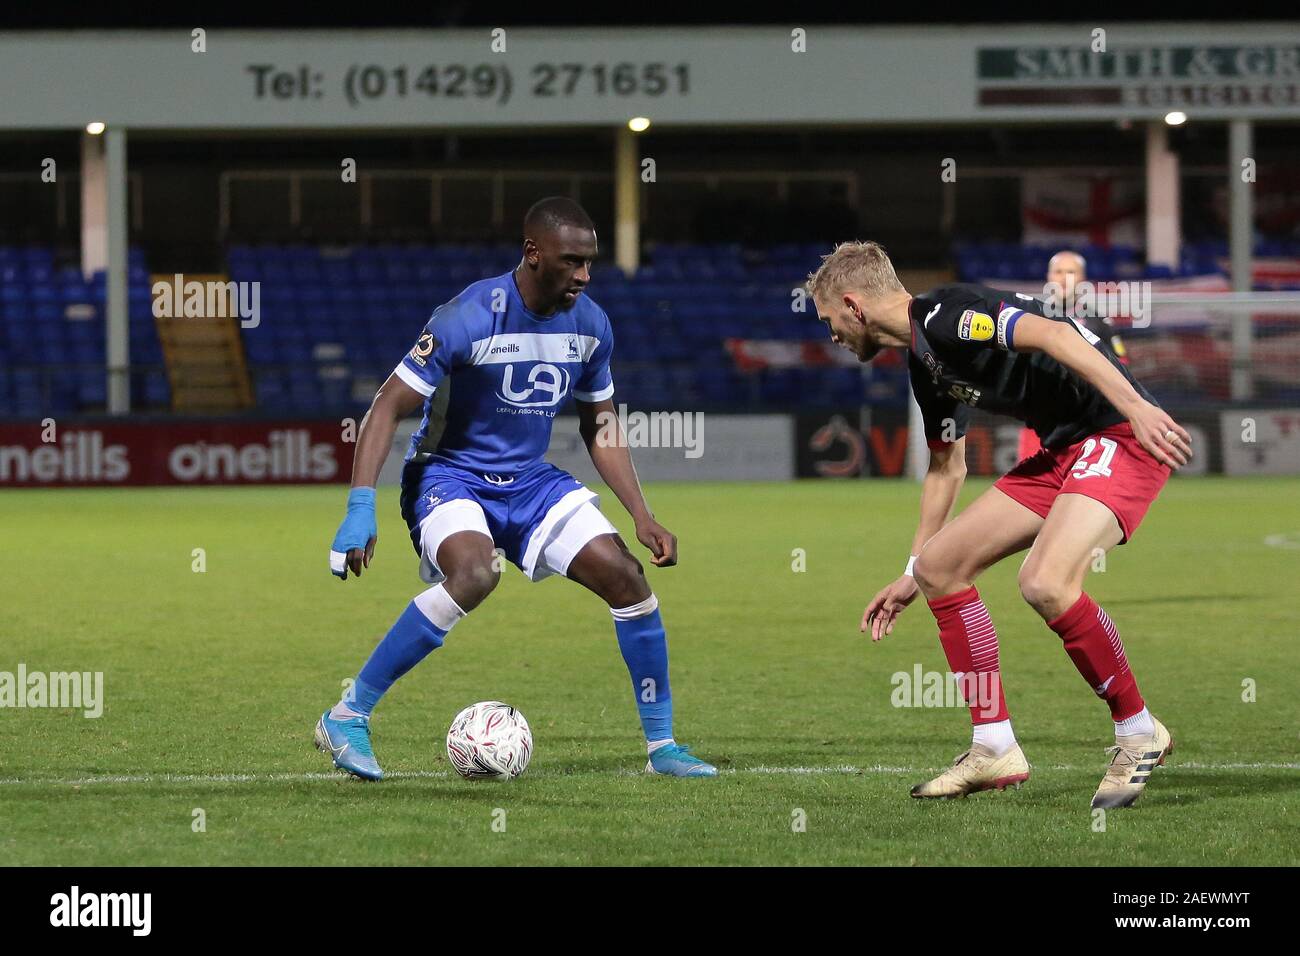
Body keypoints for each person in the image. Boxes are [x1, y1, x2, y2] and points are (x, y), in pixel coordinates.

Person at [316, 197, 717, 781]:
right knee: (476, 574)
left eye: (590, 263)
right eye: (572, 261)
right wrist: (360, 505)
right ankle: (348, 714)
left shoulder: (591, 325)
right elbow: (386, 406)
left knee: (627, 578)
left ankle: (663, 749)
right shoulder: (467, 316)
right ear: (533, 254)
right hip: (449, 474)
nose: (584, 275)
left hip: (531, 482)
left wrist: (642, 513)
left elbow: (599, 424)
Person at [807, 240, 1191, 809]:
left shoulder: (948, 316)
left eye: (829, 319)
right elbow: (946, 467)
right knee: (941, 568)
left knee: (1044, 582)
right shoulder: (923, 361)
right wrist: (913, 570)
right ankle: (994, 746)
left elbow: (1057, 335)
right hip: (1064, 450)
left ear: (853, 303)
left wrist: (1134, 406)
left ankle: (1138, 731)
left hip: (1118, 433)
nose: (831, 333)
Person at [1018, 250, 1130, 460]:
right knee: (1028, 488)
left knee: (1078, 491)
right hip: (1038, 422)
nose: (1064, 278)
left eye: (1071, 272)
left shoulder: (1099, 323)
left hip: (1085, 426)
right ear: (1049, 277)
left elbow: (1122, 370)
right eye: (1058, 271)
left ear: (1082, 279)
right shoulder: (1030, 317)